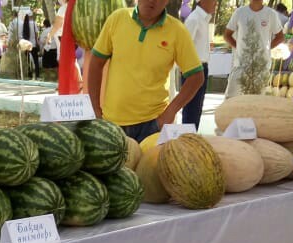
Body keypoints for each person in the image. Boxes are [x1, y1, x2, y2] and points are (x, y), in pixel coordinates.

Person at [88, 0, 205, 142]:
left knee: (148, 165)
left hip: (153, 125)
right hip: (112, 124)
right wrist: (95, 108)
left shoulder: (177, 31)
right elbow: (96, 62)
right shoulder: (118, 18)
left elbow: (196, 76)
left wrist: (170, 112)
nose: (152, 1)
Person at [224, 0, 284, 98]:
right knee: (231, 100)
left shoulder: (271, 14)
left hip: (261, 68)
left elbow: (280, 37)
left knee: (257, 104)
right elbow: (227, 35)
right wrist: (240, 48)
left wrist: (266, 49)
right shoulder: (239, 12)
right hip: (241, 65)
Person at [182, 0, 216, 128]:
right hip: (193, 69)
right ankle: (187, 137)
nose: (215, 4)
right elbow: (184, 46)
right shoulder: (194, 19)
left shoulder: (203, 19)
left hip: (201, 67)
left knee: (197, 108)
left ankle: (192, 135)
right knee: (191, 108)